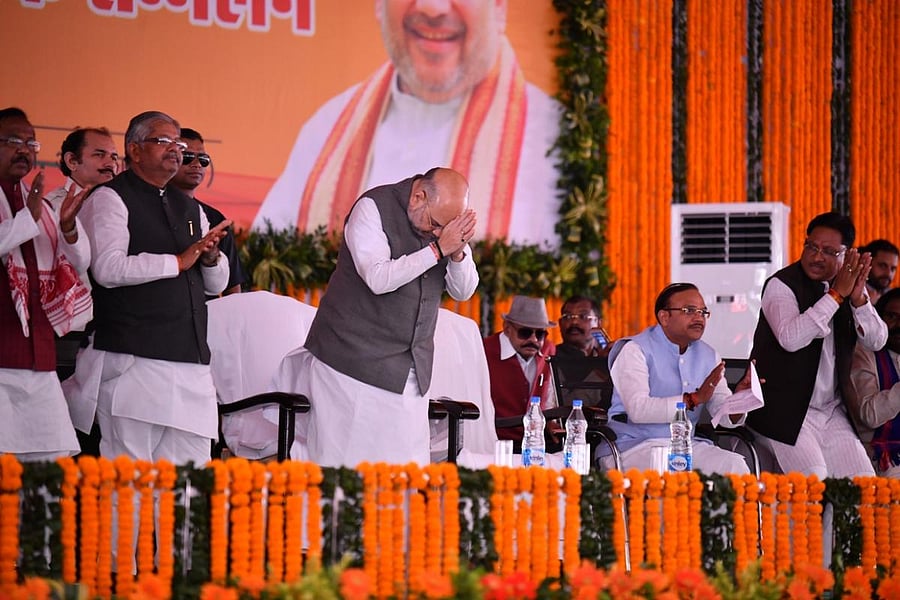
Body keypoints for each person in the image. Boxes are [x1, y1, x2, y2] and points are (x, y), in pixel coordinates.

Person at [253, 0, 561, 246]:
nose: (432, 7)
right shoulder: (324, 133)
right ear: (378, 6)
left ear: (499, 7)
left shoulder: (553, 140)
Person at [64, 111, 231, 465]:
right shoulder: (110, 198)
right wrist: (177, 261)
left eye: (178, 143)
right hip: (134, 362)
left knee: (190, 482)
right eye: (163, 141)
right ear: (135, 151)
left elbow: (215, 285)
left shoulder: (191, 207)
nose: (175, 149)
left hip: (190, 365)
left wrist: (210, 259)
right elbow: (107, 268)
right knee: (130, 483)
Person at [286, 167, 478, 467]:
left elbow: (463, 291)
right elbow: (377, 277)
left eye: (446, 228)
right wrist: (439, 249)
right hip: (350, 365)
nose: (438, 232)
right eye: (435, 224)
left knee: (403, 478)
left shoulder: (445, 229)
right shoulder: (373, 208)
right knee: (343, 474)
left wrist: (458, 252)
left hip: (410, 372)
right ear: (418, 196)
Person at [748, 212, 886, 478]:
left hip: (831, 410)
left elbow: (877, 340)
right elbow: (791, 338)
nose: (816, 256)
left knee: (864, 486)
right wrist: (835, 296)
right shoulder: (781, 285)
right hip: (783, 411)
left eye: (828, 251)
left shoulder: (849, 286)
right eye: (811, 246)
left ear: (847, 255)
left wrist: (858, 299)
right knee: (814, 480)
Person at [0, 107, 92, 461]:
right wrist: (29, 217)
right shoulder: (34, 207)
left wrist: (67, 226)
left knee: (50, 464)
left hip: (38, 357)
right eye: (12, 141)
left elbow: (81, 261)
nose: (24, 149)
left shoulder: (41, 203)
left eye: (30, 142)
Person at [606, 283, 751, 475]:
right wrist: (693, 399)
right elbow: (638, 409)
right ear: (664, 317)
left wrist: (739, 400)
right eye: (689, 310)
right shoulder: (635, 350)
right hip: (634, 446)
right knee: (671, 470)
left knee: (734, 465)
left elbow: (723, 415)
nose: (699, 317)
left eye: (702, 312)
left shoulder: (709, 356)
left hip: (686, 445)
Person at [170, 128, 248, 296]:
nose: (197, 164)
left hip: (206, 316)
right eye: (188, 157)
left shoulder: (215, 218)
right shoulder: (150, 209)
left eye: (203, 159)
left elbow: (232, 285)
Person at [483, 295, 557, 444]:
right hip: (494, 440)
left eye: (540, 334)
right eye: (525, 332)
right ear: (507, 328)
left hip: (536, 441)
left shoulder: (549, 350)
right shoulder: (484, 350)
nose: (534, 340)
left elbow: (550, 397)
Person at [849, 288, 900, 477]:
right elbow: (868, 415)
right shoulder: (864, 354)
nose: (898, 324)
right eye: (892, 316)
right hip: (880, 456)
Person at [45, 128, 119, 213]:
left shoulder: (119, 203)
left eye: (114, 158)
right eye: (99, 155)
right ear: (72, 161)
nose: (111, 164)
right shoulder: (50, 208)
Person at [859, 239, 899, 304]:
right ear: (867, 262)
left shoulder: (893, 298)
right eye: (883, 266)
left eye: (893, 269)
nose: (888, 273)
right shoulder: (849, 291)